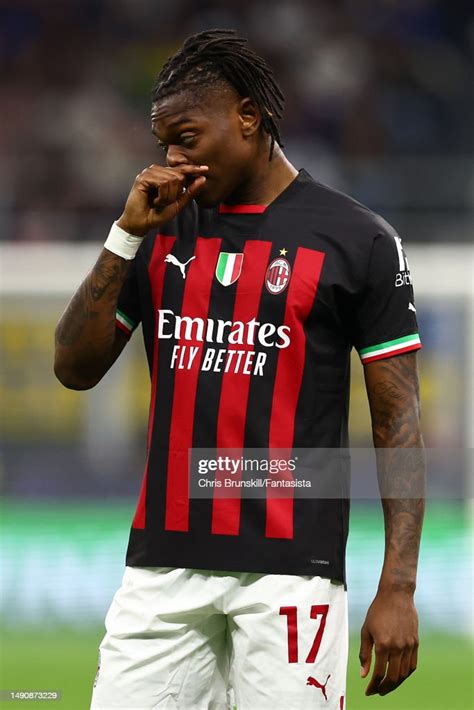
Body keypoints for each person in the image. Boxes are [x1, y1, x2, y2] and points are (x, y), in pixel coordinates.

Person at [54, 28, 425, 710]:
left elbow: (398, 416)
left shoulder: (358, 240)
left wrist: (397, 586)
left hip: (292, 575)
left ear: (248, 119)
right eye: (163, 142)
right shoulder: (161, 228)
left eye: (186, 137)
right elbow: (73, 368)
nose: (171, 159)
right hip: (162, 568)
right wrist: (124, 236)